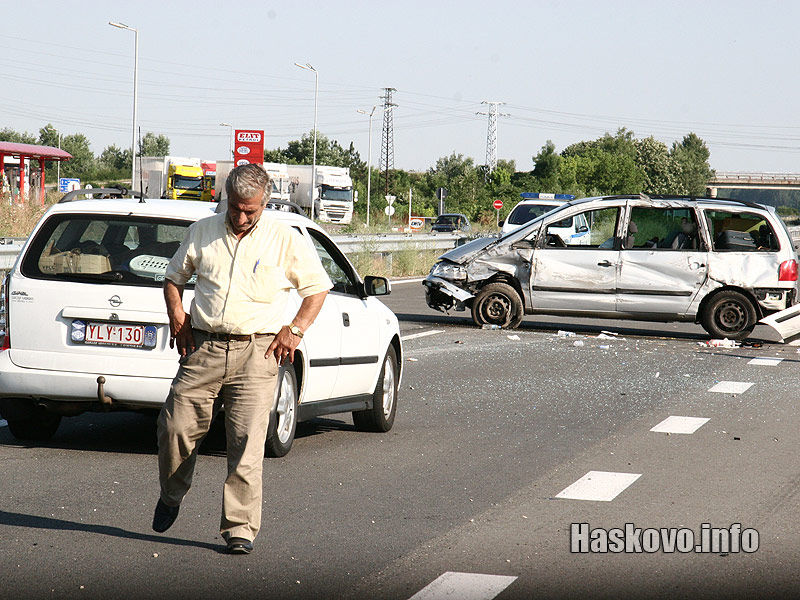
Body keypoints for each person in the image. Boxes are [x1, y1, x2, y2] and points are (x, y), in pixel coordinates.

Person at [153, 163, 332, 554]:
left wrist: (295, 329)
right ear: (226, 198)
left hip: (258, 352)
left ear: (264, 204)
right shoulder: (202, 231)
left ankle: (239, 528)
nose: (240, 216)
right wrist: (177, 314)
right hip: (203, 348)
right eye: (235, 207)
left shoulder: (284, 238)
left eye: (250, 210)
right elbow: (173, 278)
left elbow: (317, 289)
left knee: (247, 443)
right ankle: (171, 493)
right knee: (174, 428)